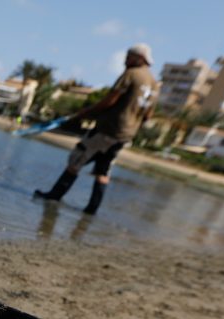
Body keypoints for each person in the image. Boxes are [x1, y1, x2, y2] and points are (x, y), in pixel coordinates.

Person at [34, 43, 159, 214]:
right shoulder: (153, 83)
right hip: (125, 135)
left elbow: (110, 100)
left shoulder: (131, 74)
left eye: (128, 56)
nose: (125, 60)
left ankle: (54, 197)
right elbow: (148, 115)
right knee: (103, 170)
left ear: (139, 58)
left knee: (76, 159)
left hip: (109, 129)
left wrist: (84, 113)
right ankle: (91, 210)